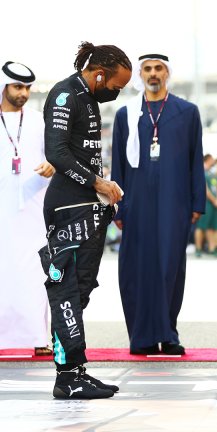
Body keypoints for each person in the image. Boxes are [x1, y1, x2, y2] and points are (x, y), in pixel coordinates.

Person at [40, 42, 131, 399]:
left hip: (87, 206)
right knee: (67, 291)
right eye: (116, 86)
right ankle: (66, 377)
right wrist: (98, 183)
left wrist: (101, 190)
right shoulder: (65, 95)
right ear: (100, 75)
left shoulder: (89, 98)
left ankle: (76, 369)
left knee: (81, 290)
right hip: (68, 207)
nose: (116, 92)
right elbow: (56, 152)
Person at [111, 53, 205, 355]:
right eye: (148, 69)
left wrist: (197, 202)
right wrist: (117, 206)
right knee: (137, 269)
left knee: (169, 266)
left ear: (167, 73)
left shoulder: (187, 112)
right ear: (140, 74)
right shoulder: (126, 114)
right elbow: (118, 165)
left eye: (159, 68)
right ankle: (142, 337)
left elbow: (195, 160)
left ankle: (168, 333)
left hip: (174, 202)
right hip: (135, 203)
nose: (153, 73)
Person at [0, 61, 54, 356]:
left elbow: (55, 155)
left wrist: (51, 165)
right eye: (17, 87)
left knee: (34, 271)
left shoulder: (37, 120)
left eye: (27, 88)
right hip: (2, 209)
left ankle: (36, 337)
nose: (23, 93)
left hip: (33, 208)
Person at [194, 154, 217, 257]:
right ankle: (198, 248)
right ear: (208, 159)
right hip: (206, 203)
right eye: (211, 159)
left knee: (212, 226)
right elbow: (205, 188)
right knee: (201, 226)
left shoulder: (212, 172)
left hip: (214, 204)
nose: (213, 161)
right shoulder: (202, 170)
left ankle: (212, 248)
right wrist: (214, 200)